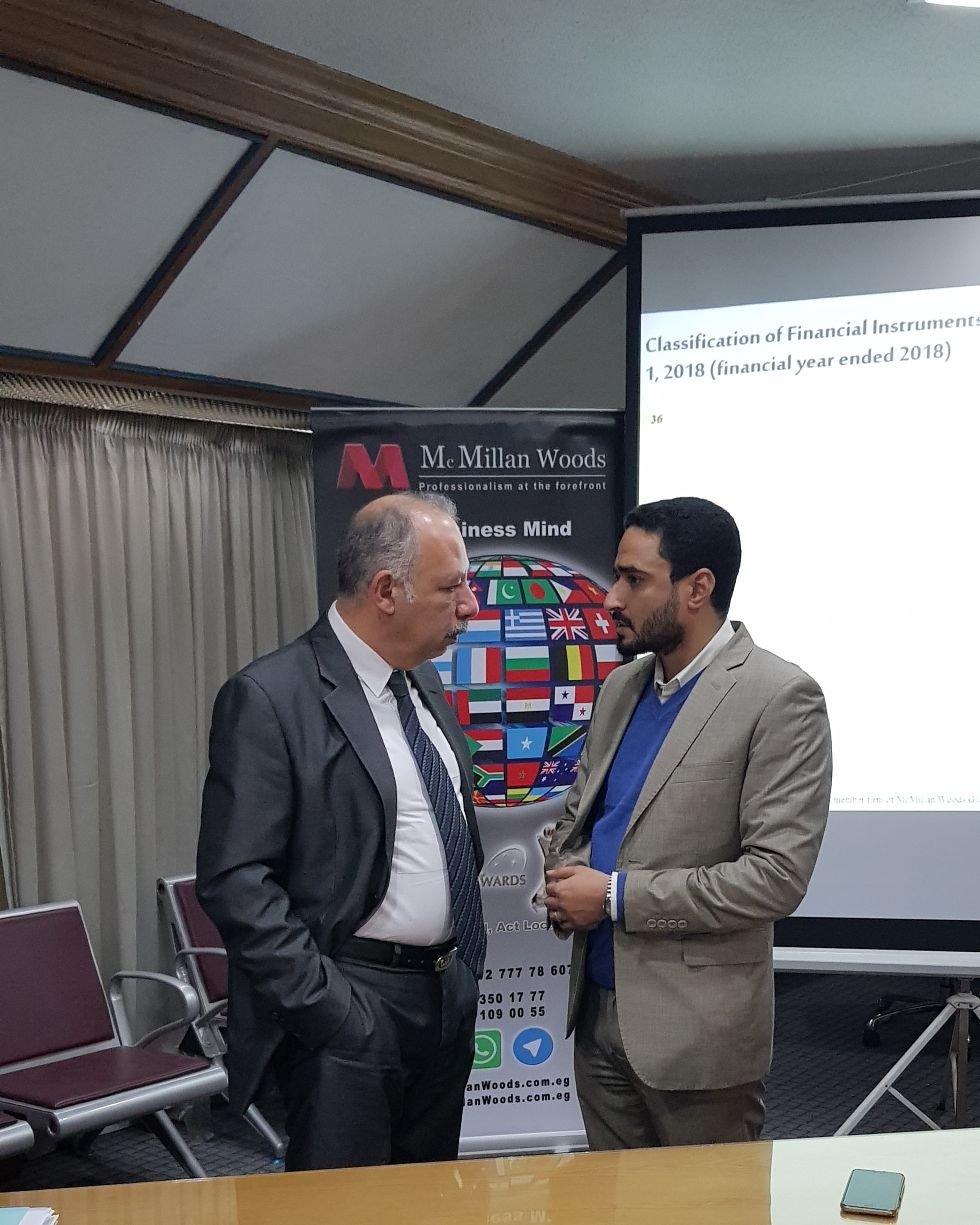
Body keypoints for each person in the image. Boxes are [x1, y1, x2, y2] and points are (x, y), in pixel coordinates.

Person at [197, 492, 485, 1171]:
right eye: (451, 587)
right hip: (349, 1003)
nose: (470, 605)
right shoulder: (271, 697)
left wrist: (462, 976)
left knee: (427, 1203)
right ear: (386, 591)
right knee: (344, 1207)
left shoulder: (422, 683)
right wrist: (329, 1008)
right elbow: (236, 880)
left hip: (443, 995)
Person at [544, 496, 832, 1149]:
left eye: (634, 579)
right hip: (596, 1016)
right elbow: (582, 816)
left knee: (709, 1203)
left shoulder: (779, 697)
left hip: (697, 1039)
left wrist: (613, 896)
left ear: (697, 588)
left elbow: (774, 879)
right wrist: (565, 875)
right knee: (613, 1201)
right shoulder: (622, 687)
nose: (612, 598)